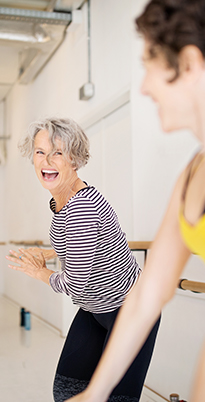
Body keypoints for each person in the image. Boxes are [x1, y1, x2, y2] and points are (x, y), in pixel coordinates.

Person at [57, 0, 205, 401]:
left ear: (188, 64)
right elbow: (146, 295)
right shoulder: (196, 170)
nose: (145, 86)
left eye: (150, 62)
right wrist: (95, 392)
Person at [5, 117, 160, 402]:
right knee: (67, 392)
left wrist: (38, 271)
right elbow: (91, 239)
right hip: (95, 309)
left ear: (74, 159)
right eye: (40, 152)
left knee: (117, 399)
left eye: (58, 152)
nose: (46, 161)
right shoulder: (63, 199)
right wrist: (53, 252)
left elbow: (75, 284)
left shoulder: (81, 209)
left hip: (132, 311)